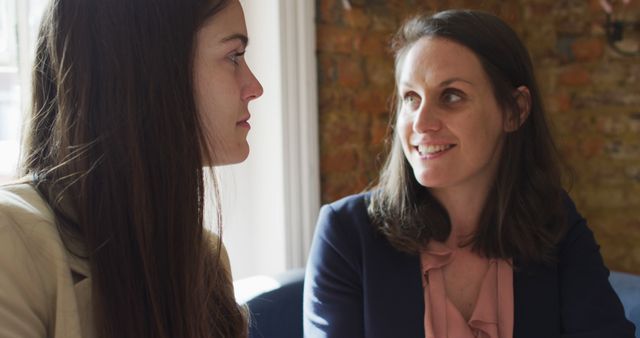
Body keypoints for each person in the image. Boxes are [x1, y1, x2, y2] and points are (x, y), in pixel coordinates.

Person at [303, 9, 635, 338]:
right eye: (411, 98)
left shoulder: (554, 223)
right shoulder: (346, 234)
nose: (421, 123)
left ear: (515, 111)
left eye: (451, 96)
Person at [0, 0, 262, 337]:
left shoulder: (205, 260)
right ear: (149, 69)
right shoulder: (11, 244)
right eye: (234, 56)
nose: (255, 88)